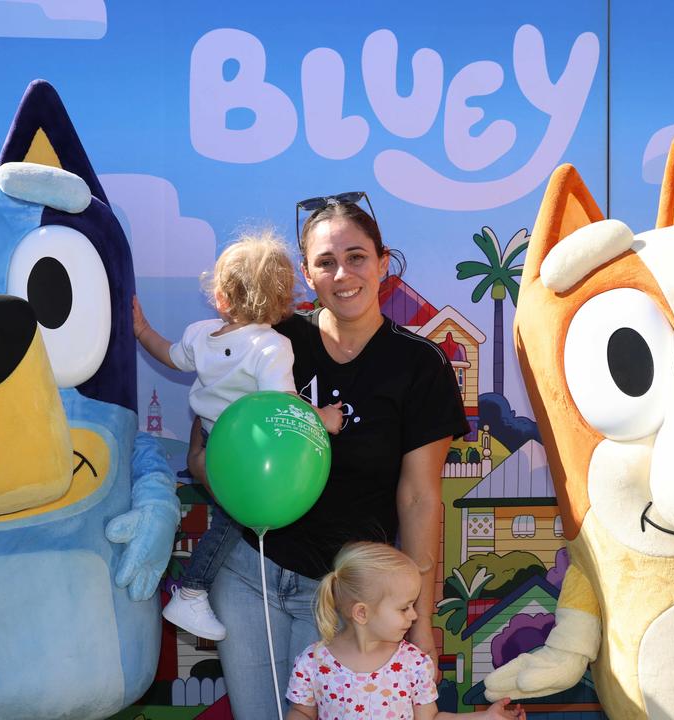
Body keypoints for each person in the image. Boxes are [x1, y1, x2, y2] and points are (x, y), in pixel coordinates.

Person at [189, 195, 470, 717]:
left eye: (357, 256)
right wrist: (219, 476)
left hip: (344, 599)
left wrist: (423, 625)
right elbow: (208, 443)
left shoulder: (419, 365)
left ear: (383, 262)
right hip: (248, 573)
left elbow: (419, 499)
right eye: (326, 262)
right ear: (306, 274)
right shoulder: (271, 341)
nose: (343, 273)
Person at [133, 231, 342, 641]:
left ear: (221, 297)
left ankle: (193, 591)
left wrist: (142, 330)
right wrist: (325, 418)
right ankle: (192, 591)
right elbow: (283, 406)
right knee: (236, 521)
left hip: (213, 444)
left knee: (230, 520)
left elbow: (170, 355)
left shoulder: (200, 334)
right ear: (282, 302)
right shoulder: (271, 347)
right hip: (244, 454)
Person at [286, 542, 525, 719]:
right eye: (404, 608)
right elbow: (301, 712)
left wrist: (484, 717)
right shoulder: (313, 663)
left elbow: (431, 718)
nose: (414, 615)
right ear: (362, 613)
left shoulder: (414, 663)